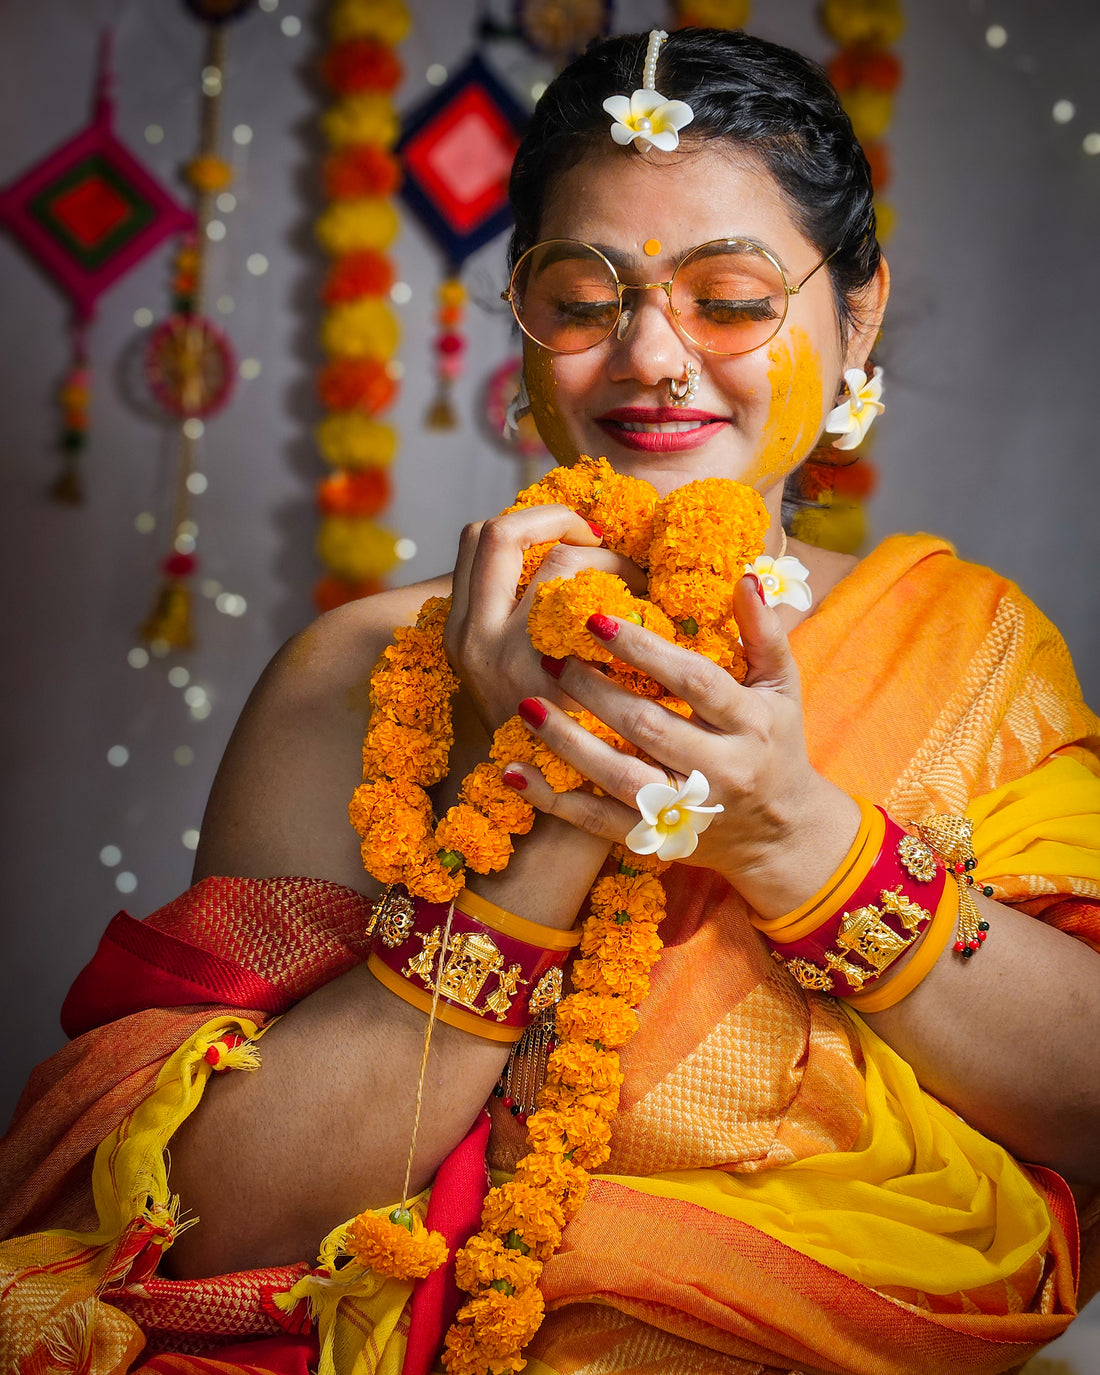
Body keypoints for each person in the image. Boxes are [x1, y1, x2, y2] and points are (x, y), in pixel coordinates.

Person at [2, 26, 1098, 1375]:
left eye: (732, 298)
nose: (652, 358)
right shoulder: (364, 668)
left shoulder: (967, 648)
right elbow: (204, 1227)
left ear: (856, 315)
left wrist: (789, 833)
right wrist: (552, 802)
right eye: (584, 300)